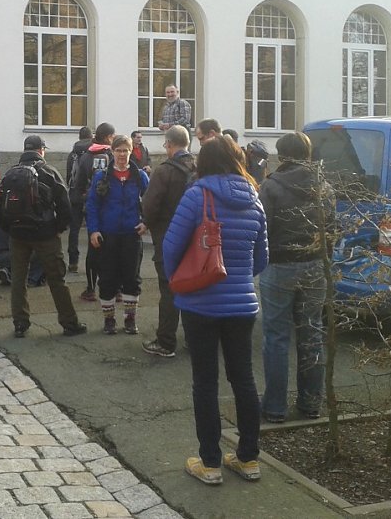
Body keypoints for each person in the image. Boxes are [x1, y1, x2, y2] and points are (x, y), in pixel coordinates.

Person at [163, 136, 267, 485]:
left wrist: (181, 278)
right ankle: (248, 458)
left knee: (205, 382)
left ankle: (209, 463)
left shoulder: (198, 195)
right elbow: (261, 258)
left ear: (202, 161)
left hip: (200, 302)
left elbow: (171, 247)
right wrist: (237, 277)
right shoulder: (255, 198)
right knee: (244, 380)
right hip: (243, 303)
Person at [259, 132, 334, 423]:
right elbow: (332, 229)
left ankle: (275, 407)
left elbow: (262, 228)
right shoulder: (325, 187)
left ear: (282, 155)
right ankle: (311, 404)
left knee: (276, 337)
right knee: (312, 334)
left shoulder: (271, 186)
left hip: (279, 266)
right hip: (315, 266)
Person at [0, 135, 87, 339]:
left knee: (18, 279)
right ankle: (69, 323)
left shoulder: (11, 173)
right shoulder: (48, 171)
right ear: (41, 150)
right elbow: (65, 205)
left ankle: (20, 324)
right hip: (45, 234)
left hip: (18, 235)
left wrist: (10, 229)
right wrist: (58, 228)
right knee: (57, 279)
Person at [85, 134, 149, 335]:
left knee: (132, 278)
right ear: (112, 152)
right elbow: (92, 205)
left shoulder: (140, 177)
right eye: (118, 150)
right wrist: (94, 230)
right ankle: (109, 320)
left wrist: (146, 222)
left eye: (126, 150)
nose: (122, 154)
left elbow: (151, 202)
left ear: (131, 152)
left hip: (131, 235)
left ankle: (130, 319)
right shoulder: (101, 177)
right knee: (107, 278)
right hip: (108, 236)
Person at [142, 125, 196, 357]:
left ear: (170, 144)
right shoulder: (199, 167)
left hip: (168, 236)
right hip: (194, 238)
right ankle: (194, 339)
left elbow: (150, 204)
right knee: (194, 287)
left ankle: (165, 341)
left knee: (169, 288)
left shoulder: (164, 171)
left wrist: (147, 223)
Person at [72, 122, 116, 302]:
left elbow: (79, 183)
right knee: (114, 249)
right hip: (113, 208)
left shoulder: (86, 156)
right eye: (113, 137)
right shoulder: (115, 154)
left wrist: (87, 197)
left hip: (94, 209)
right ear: (107, 137)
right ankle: (117, 289)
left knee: (94, 249)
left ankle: (90, 289)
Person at [65, 126, 93, 273]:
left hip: (75, 195)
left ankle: (73, 262)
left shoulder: (72, 154)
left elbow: (68, 176)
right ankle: (92, 261)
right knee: (91, 229)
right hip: (89, 195)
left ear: (79, 137)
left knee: (74, 229)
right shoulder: (93, 154)